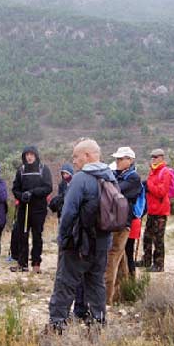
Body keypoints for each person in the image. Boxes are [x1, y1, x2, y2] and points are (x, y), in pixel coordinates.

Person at [48, 138, 114, 331]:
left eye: (76, 156)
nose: (74, 161)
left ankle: (56, 326)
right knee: (96, 283)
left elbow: (68, 213)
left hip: (79, 244)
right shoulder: (110, 177)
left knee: (65, 283)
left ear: (87, 156)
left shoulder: (80, 179)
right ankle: (98, 324)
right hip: (103, 243)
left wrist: (63, 239)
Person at [104, 146, 141, 305]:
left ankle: (106, 299)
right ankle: (125, 292)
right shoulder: (118, 175)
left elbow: (115, 192)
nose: (117, 162)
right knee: (121, 257)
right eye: (117, 159)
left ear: (130, 160)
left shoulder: (133, 179)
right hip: (115, 223)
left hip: (122, 224)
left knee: (111, 257)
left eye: (121, 159)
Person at [11, 146, 53, 273]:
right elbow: (15, 188)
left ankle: (36, 264)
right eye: (26, 155)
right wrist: (21, 195)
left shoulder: (43, 169)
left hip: (38, 209)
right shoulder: (21, 170)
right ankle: (22, 263)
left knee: (37, 236)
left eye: (31, 154)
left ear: (36, 155)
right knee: (22, 235)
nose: (29, 157)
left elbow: (48, 187)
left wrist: (33, 193)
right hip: (24, 208)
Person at [141, 148, 174, 272]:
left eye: (156, 157)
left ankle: (159, 265)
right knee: (147, 236)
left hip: (160, 211)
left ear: (162, 157)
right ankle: (146, 260)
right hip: (152, 210)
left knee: (158, 239)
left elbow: (162, 192)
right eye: (152, 157)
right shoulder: (153, 171)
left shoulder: (164, 172)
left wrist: (148, 186)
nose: (153, 159)